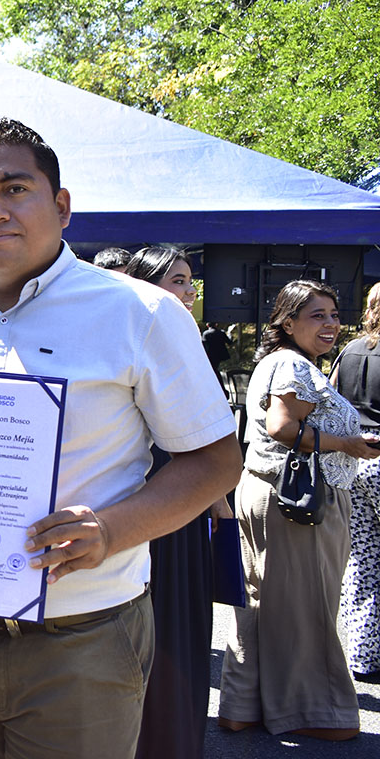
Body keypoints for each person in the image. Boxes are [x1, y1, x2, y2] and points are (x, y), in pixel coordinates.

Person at [0, 117, 241, 759]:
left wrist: (110, 530)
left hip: (82, 637)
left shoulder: (139, 312)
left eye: (15, 188)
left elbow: (216, 461)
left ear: (60, 206)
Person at [218, 279, 380, 740]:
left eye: (333, 314)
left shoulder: (278, 360)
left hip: (270, 492)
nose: (331, 324)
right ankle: (317, 714)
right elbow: (282, 426)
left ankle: (243, 705)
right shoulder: (292, 364)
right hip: (300, 501)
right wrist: (348, 443)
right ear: (287, 323)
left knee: (260, 603)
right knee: (307, 606)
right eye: (317, 315)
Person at [122, 245, 231, 759]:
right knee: (153, 636)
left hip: (185, 508)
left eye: (190, 282)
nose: (188, 293)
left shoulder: (191, 340)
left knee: (185, 632)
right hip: (148, 507)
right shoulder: (134, 338)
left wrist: (215, 500)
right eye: (178, 281)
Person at [331, 283, 380, 682]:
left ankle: (363, 653)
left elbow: (333, 399)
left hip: (354, 460)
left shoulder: (351, 350)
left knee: (362, 558)